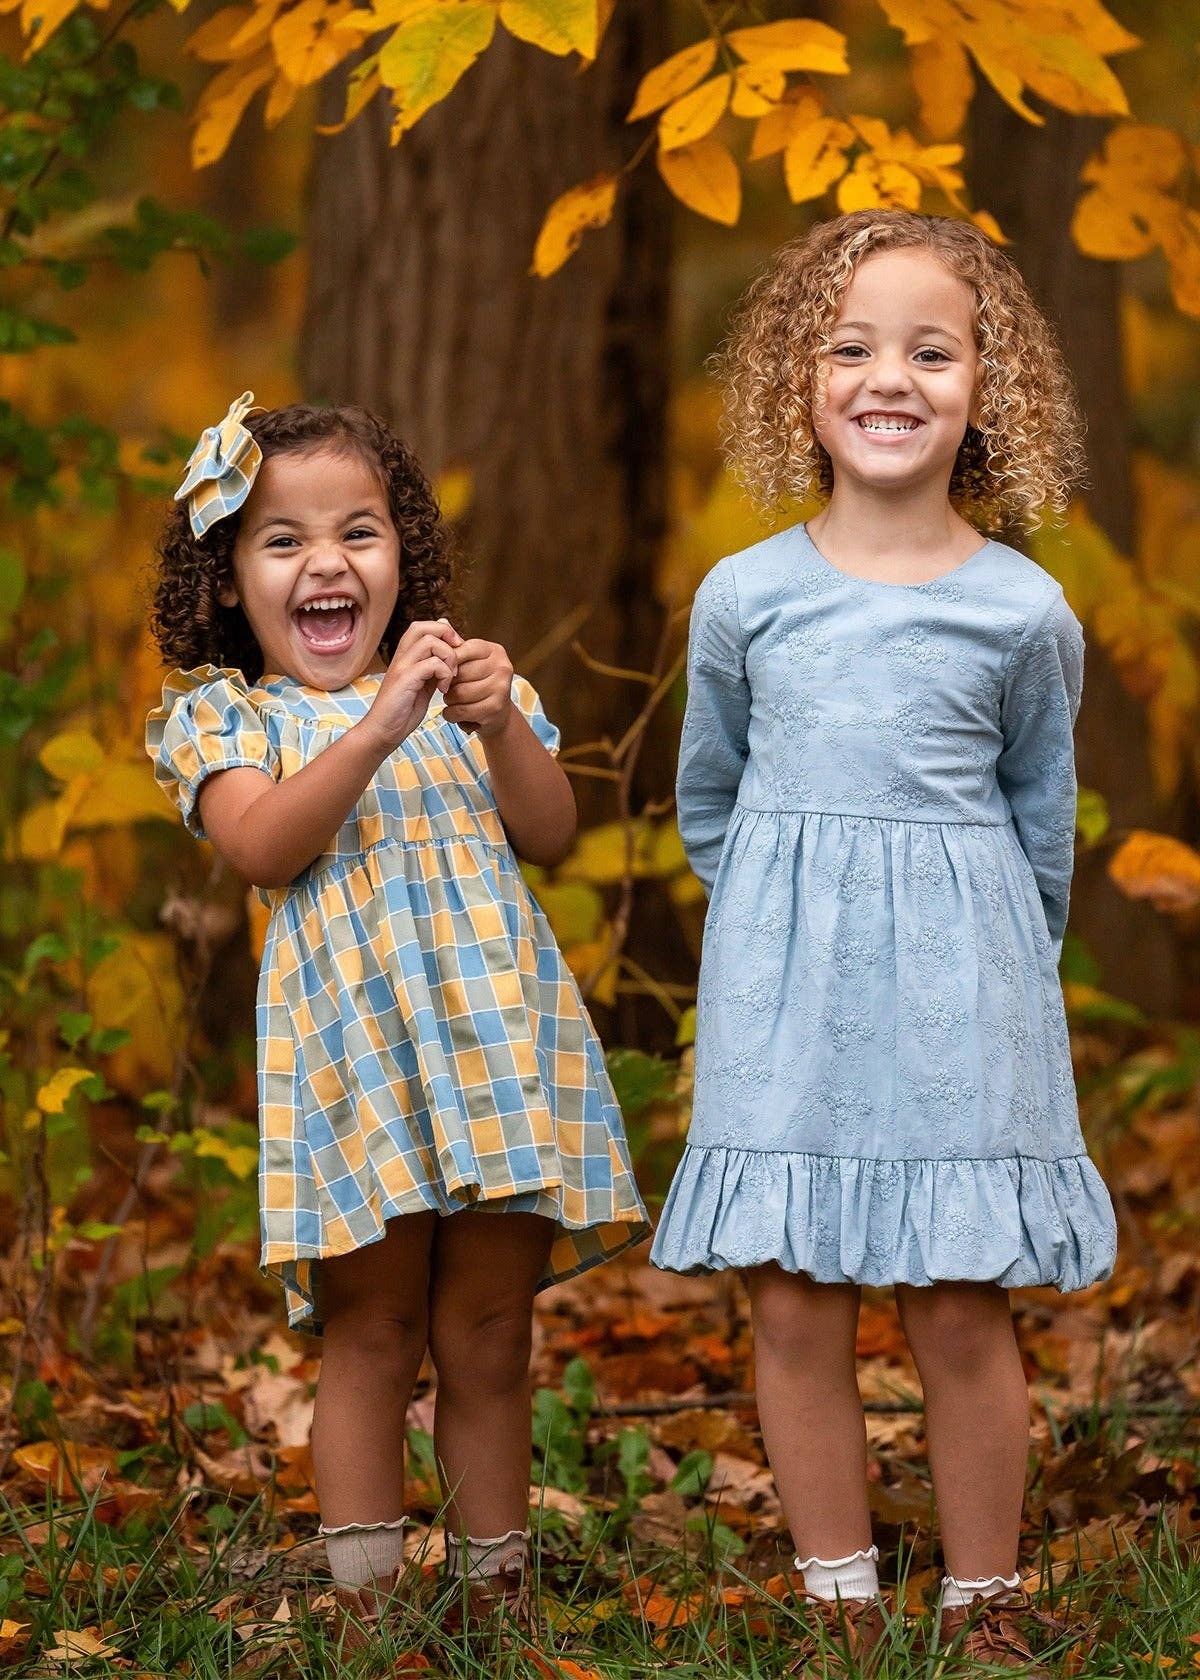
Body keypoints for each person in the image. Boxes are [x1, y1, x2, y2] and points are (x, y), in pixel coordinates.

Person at [650, 211, 1118, 1673]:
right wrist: (793, 930)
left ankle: (985, 1606)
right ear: (800, 380)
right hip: (784, 991)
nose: (888, 378)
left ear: (991, 385)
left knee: (955, 1297)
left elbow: (1040, 824)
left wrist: (970, 962)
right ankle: (838, 1599)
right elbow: (713, 802)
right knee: (794, 1300)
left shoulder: (1022, 611)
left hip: (961, 996)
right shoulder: (747, 598)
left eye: (931, 349)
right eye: (849, 348)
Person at [145, 397, 649, 1646]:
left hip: (492, 1051)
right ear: (225, 584)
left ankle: (494, 1590)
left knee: (489, 1329)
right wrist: (376, 728)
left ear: (401, 559)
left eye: (358, 532)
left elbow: (549, 831)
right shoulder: (228, 719)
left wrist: (490, 721)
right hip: (356, 1072)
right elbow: (263, 846)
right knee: (371, 1331)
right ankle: (366, 1613)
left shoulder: (466, 693)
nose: (326, 562)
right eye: (281, 541)